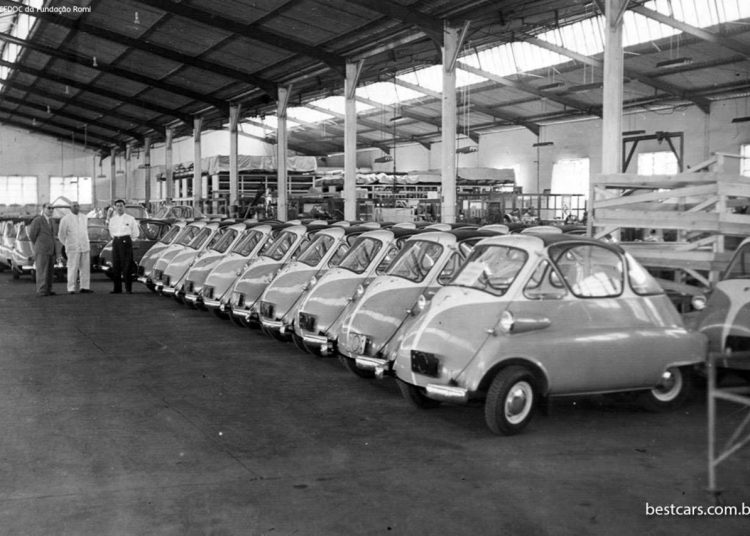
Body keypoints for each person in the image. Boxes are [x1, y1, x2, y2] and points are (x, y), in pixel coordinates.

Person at [58, 201, 92, 294]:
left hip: (84, 246)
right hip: (73, 247)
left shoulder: (84, 217)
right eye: (74, 206)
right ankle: (71, 288)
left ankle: (85, 287)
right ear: (70, 208)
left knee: (85, 268)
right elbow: (61, 235)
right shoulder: (65, 219)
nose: (76, 207)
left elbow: (85, 231)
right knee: (72, 268)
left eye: (77, 206)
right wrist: (67, 244)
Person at [108, 199, 139, 294]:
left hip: (126, 241)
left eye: (121, 206)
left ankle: (128, 289)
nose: (119, 208)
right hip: (116, 241)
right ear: (115, 208)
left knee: (127, 265)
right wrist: (117, 239)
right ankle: (117, 288)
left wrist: (128, 240)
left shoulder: (130, 219)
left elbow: (135, 233)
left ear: (124, 207)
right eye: (117, 206)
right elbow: (111, 231)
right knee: (116, 265)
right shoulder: (112, 219)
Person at [27, 203, 57, 297]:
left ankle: (48, 289)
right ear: (43, 209)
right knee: (42, 270)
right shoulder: (38, 220)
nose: (51, 210)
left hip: (51, 249)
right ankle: (41, 290)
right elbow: (32, 235)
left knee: (50, 271)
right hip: (41, 250)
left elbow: (53, 235)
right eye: (49, 208)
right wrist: (39, 244)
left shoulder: (52, 221)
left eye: (52, 208)